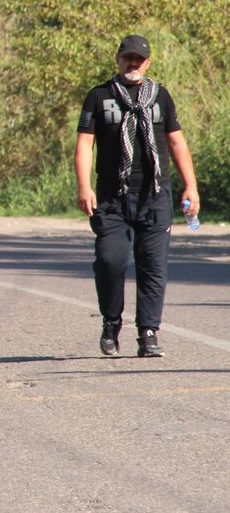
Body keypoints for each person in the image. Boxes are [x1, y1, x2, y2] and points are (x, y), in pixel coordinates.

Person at [75, 34, 198, 359]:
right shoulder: (99, 96)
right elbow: (85, 144)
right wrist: (84, 186)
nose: (133, 63)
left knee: (153, 265)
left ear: (147, 62)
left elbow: (176, 142)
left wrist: (191, 185)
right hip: (112, 197)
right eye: (128, 57)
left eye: (139, 59)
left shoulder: (161, 97)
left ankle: (148, 332)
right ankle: (111, 322)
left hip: (154, 195)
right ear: (118, 59)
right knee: (109, 261)